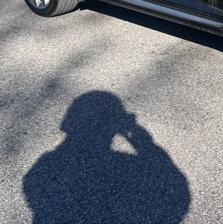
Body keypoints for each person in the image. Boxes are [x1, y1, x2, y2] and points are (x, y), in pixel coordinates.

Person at [23, 91, 189, 223]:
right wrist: (138, 135)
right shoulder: (41, 171)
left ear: (66, 124)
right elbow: (172, 186)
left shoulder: (42, 170)